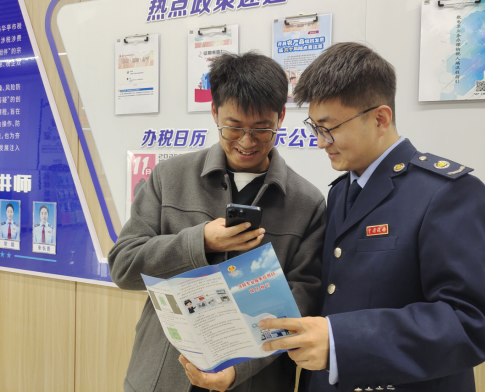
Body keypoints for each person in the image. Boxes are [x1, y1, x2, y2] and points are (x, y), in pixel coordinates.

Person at [259, 42, 485, 392]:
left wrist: (341, 341)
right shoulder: (341, 191)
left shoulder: (448, 194)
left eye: (329, 128)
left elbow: (471, 323)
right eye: (315, 127)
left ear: (380, 118)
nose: (321, 142)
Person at [108, 52, 326, 392]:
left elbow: (302, 301)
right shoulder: (169, 177)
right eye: (233, 127)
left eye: (262, 129)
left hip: (255, 379)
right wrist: (201, 243)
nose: (247, 142)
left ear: (281, 117)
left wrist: (238, 368)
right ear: (214, 112)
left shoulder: (307, 203)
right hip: (163, 375)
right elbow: (123, 268)